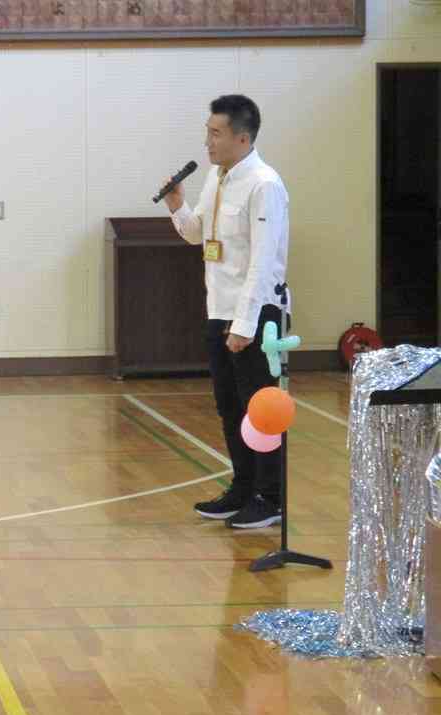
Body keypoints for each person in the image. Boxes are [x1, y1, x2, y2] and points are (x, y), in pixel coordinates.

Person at [163, 94, 289, 530]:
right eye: (207, 132)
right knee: (230, 407)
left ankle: (271, 498)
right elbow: (197, 234)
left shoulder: (264, 184)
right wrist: (177, 205)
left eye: (216, 134)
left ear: (242, 138)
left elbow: (262, 263)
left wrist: (245, 324)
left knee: (261, 410)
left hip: (255, 315)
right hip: (219, 309)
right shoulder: (217, 178)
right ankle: (243, 488)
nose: (208, 142)